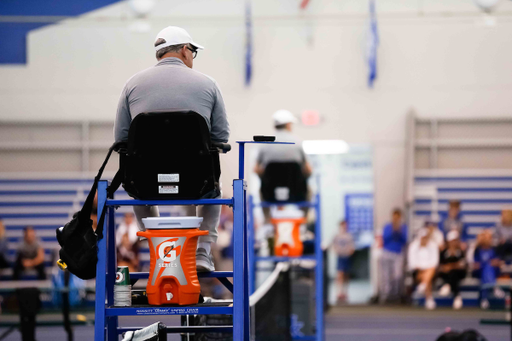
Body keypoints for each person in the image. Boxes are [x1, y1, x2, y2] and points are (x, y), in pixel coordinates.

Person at [114, 26, 229, 272]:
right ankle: (202, 252)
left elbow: (122, 140)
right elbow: (221, 137)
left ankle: (157, 247)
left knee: (138, 187)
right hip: (195, 179)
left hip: (146, 181)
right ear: (185, 50)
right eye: (193, 52)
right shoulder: (208, 84)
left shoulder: (132, 85)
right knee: (209, 185)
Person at [254, 110, 313, 223]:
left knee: (260, 192)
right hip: (296, 193)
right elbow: (308, 169)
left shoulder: (265, 144)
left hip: (270, 194)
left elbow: (256, 169)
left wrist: (266, 177)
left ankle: (267, 221)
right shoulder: (298, 142)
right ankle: (304, 220)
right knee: (310, 191)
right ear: (288, 124)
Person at [379, 208, 408, 303]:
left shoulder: (403, 228)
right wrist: (393, 230)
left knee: (397, 275)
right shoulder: (387, 227)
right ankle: (386, 296)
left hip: (398, 254)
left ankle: (396, 295)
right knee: (386, 276)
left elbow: (404, 241)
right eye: (394, 217)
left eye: (397, 217)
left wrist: (398, 231)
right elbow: (385, 239)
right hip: (387, 253)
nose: (395, 219)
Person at [408, 228, 439, 310]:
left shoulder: (433, 245)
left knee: (430, 271)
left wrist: (425, 268)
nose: (424, 239)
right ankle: (428, 298)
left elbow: (435, 263)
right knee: (428, 275)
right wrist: (423, 269)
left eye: (426, 237)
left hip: (430, 271)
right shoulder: (413, 246)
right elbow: (412, 264)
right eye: (423, 237)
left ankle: (424, 285)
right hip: (418, 272)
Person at [473, 229, 503, 309]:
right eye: (486, 237)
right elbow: (475, 264)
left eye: (489, 238)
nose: (488, 240)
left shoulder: (494, 249)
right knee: (486, 267)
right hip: (479, 271)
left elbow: (498, 261)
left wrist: (491, 263)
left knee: (488, 268)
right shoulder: (477, 249)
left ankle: (484, 299)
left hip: (493, 271)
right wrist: (486, 263)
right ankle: (494, 287)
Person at [438, 230, 467, 310]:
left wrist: (450, 266)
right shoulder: (443, 252)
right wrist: (452, 266)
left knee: (454, 273)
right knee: (451, 273)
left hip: (459, 274)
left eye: (455, 241)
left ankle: (448, 285)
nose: (454, 243)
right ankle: (457, 296)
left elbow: (462, 265)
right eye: (452, 241)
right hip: (446, 275)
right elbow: (441, 267)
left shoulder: (461, 252)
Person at [332, 220, 355, 303]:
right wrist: (338, 251)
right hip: (340, 257)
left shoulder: (349, 236)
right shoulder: (337, 236)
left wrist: (349, 252)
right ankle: (339, 292)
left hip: (347, 257)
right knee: (340, 274)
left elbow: (352, 247)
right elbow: (333, 245)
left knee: (346, 275)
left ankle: (345, 292)